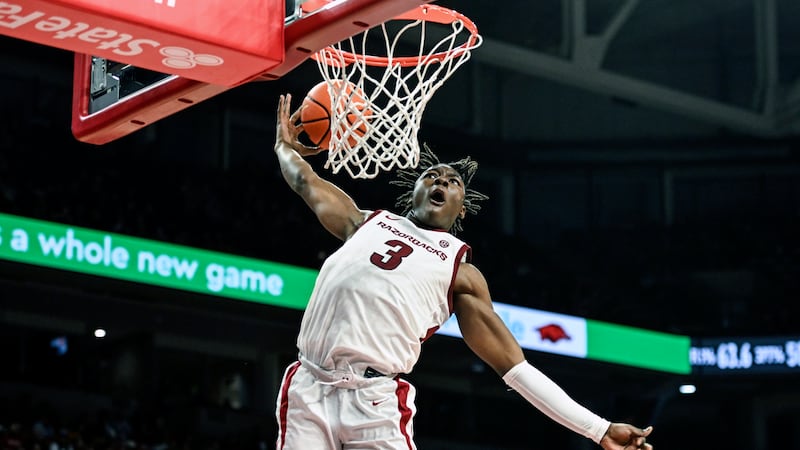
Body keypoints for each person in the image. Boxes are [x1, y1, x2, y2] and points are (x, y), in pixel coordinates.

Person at [273, 93, 655, 450]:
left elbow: (514, 367)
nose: (441, 181)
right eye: (432, 177)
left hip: (373, 402)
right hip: (309, 385)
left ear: (462, 208)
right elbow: (306, 181)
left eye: (452, 181)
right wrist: (284, 148)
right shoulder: (363, 222)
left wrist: (599, 428)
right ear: (414, 193)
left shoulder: (460, 272)